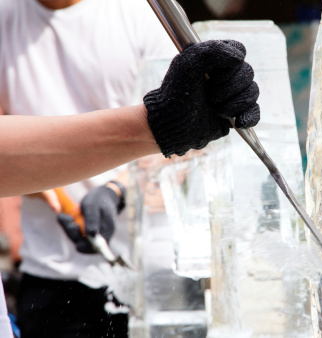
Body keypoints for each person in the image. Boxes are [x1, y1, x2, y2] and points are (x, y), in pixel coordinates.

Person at [0, 0, 260, 336]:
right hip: (52, 273)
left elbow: (192, 135)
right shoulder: (4, 16)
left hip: (154, 276)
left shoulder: (143, 13)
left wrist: (118, 190)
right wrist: (49, 193)